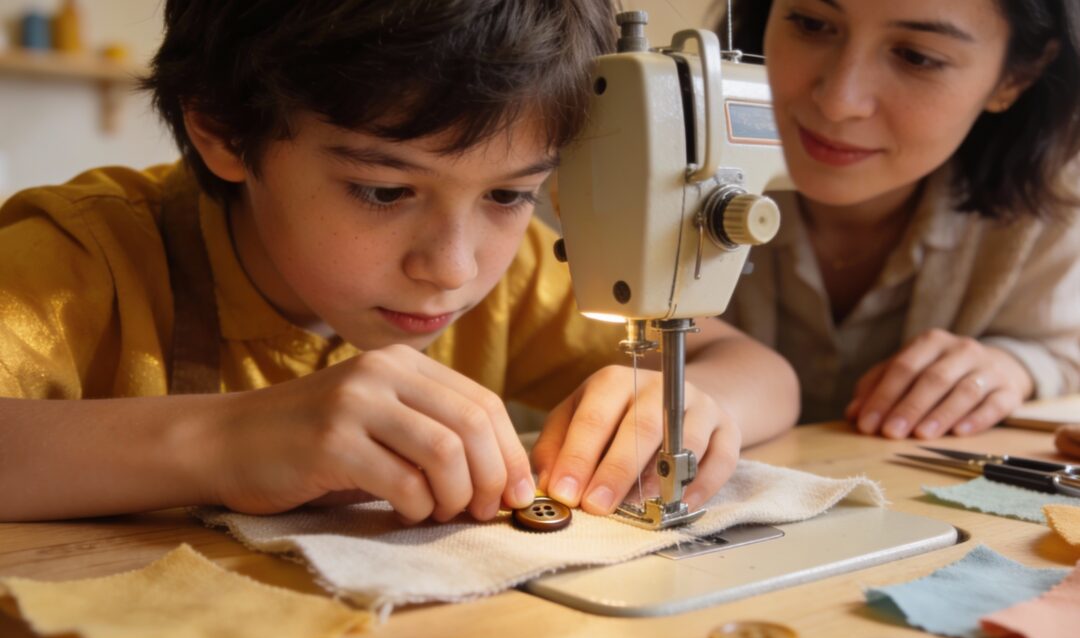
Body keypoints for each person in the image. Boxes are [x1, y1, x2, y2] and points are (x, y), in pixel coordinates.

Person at [0, 1, 800, 523]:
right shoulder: (80, 259)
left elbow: (757, 367)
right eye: (384, 192)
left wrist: (686, 399)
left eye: (513, 194)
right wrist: (227, 442)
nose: (453, 267)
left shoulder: (513, 274)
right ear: (220, 128)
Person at [714, 0, 1080, 439]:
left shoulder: (1052, 193)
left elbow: (1064, 350)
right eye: (811, 24)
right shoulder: (670, 152)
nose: (837, 102)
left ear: (1015, 77)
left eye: (916, 57)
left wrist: (1015, 365)